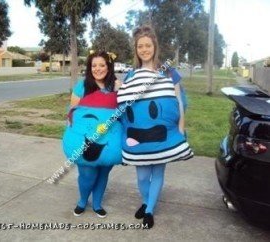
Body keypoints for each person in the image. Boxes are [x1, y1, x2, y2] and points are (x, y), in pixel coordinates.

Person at [117, 25, 194, 229]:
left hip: (164, 135)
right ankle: (145, 201)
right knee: (142, 175)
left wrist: (181, 127)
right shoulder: (132, 75)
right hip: (138, 139)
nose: (144, 49)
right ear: (136, 49)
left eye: (147, 45)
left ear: (154, 46)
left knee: (158, 172)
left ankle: (149, 209)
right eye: (140, 46)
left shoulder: (169, 72)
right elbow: (126, 106)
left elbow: (178, 102)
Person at [62, 50, 122, 218]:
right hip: (86, 140)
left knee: (103, 173)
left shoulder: (116, 86)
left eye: (102, 65)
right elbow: (72, 114)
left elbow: (124, 110)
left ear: (109, 67)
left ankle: (97, 203)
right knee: (87, 174)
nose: (98, 69)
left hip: (109, 139)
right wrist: (71, 137)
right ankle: (82, 201)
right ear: (89, 68)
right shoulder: (82, 87)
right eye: (94, 65)